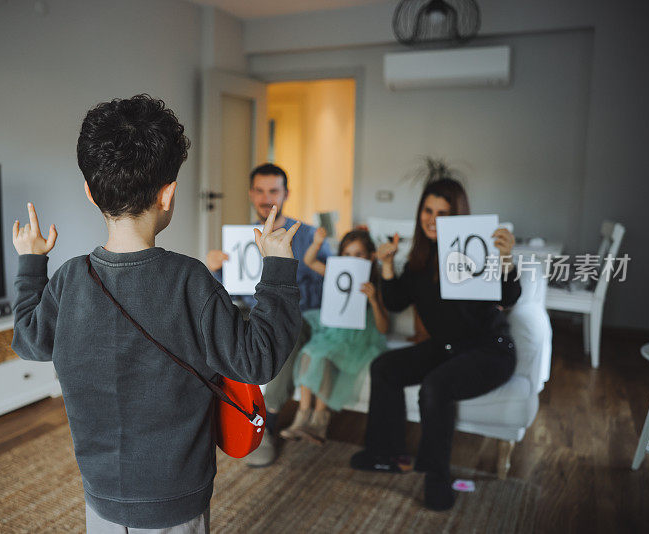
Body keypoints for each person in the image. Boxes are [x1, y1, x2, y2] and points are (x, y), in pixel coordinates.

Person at [10, 95, 303, 533]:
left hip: (101, 493)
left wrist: (32, 263)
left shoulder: (69, 280)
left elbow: (27, 340)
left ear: (90, 193)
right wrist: (277, 270)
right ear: (168, 195)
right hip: (176, 498)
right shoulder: (189, 280)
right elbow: (257, 358)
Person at [349, 176, 520, 512]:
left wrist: (506, 260)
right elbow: (396, 301)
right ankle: (386, 454)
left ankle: (436, 477)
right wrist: (385, 264)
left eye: (442, 214)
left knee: (435, 387)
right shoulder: (421, 260)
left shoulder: (475, 250)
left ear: (456, 219)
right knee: (384, 367)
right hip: (447, 348)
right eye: (428, 210)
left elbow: (509, 295)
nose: (432, 219)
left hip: (490, 350)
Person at [206, 163, 333, 467]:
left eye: (273, 191)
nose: (266, 198)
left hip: (295, 314)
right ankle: (218, 414)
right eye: (259, 191)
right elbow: (228, 292)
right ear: (251, 194)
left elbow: (328, 288)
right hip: (248, 309)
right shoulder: (240, 237)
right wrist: (212, 269)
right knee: (215, 325)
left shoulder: (310, 237)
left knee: (283, 337)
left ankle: (266, 426)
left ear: (286, 193)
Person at [280, 228, 389, 444]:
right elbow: (310, 261)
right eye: (347, 255)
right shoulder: (337, 272)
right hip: (334, 330)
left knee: (326, 357)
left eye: (358, 255)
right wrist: (317, 243)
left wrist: (374, 300)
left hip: (359, 336)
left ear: (371, 257)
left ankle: (319, 421)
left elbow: (384, 327)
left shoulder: (377, 284)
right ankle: (302, 417)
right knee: (309, 351)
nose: (352, 260)